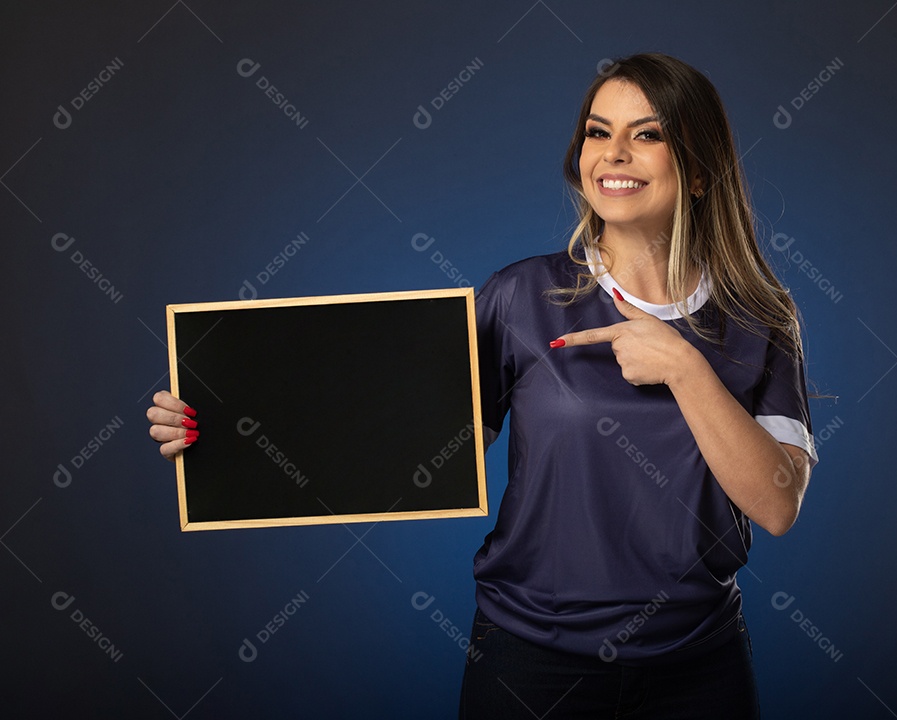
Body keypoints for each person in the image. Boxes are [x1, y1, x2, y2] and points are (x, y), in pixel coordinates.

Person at [147, 52, 816, 719]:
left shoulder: (759, 314)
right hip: (532, 661)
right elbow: (400, 447)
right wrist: (223, 430)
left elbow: (777, 507)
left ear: (699, 171)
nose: (613, 153)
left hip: (700, 665)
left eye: (647, 134)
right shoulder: (520, 295)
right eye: (596, 131)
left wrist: (684, 367)